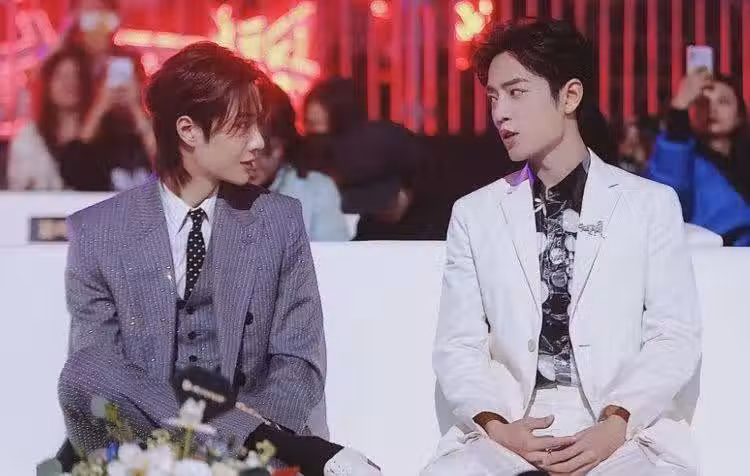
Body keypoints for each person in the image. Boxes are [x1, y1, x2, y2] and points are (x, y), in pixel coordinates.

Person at [57, 42, 379, 475]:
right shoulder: (98, 232)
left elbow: (299, 362)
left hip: (252, 461)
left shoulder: (278, 220)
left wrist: (240, 450)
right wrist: (218, 437)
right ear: (188, 131)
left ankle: (253, 441)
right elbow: (102, 386)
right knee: (85, 368)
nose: (259, 142)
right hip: (141, 449)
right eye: (243, 126)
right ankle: (268, 440)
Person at [423, 19, 701, 476]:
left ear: (570, 96)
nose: (500, 113)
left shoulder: (649, 204)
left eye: (516, 92)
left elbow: (674, 335)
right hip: (511, 425)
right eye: (493, 97)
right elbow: (457, 344)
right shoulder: (475, 213)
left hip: (621, 426)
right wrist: (498, 428)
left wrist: (617, 423)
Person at [56, 0, 155, 191]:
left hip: (129, 155)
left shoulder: (129, 59)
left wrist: (135, 106)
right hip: (85, 164)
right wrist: (100, 105)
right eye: (90, 11)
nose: (98, 19)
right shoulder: (68, 62)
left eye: (103, 11)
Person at [647, 70, 750, 245]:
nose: (712, 109)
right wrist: (679, 109)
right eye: (702, 103)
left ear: (739, 115)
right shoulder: (683, 160)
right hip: (712, 254)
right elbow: (667, 190)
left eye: (723, 102)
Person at [249, 82, 350, 241]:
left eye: (275, 146)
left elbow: (333, 253)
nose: (252, 162)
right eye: (249, 148)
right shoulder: (215, 191)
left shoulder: (315, 190)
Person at [7, 47, 92, 190]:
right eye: (62, 76)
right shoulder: (29, 137)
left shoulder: (98, 132)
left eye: (76, 76)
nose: (70, 83)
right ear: (48, 84)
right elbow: (20, 189)